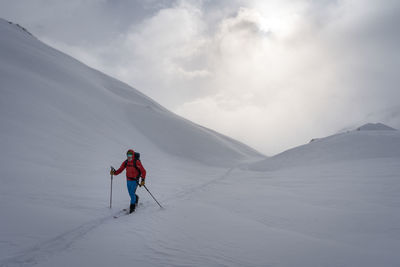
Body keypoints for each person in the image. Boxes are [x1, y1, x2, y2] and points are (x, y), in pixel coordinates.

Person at [110, 149, 146, 213]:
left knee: (132, 194)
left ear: (133, 155)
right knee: (130, 193)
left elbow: (143, 171)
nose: (129, 156)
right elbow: (120, 169)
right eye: (128, 155)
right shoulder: (126, 162)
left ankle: (132, 208)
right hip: (128, 180)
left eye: (130, 155)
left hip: (135, 180)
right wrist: (114, 173)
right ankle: (136, 198)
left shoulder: (137, 162)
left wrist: (143, 180)